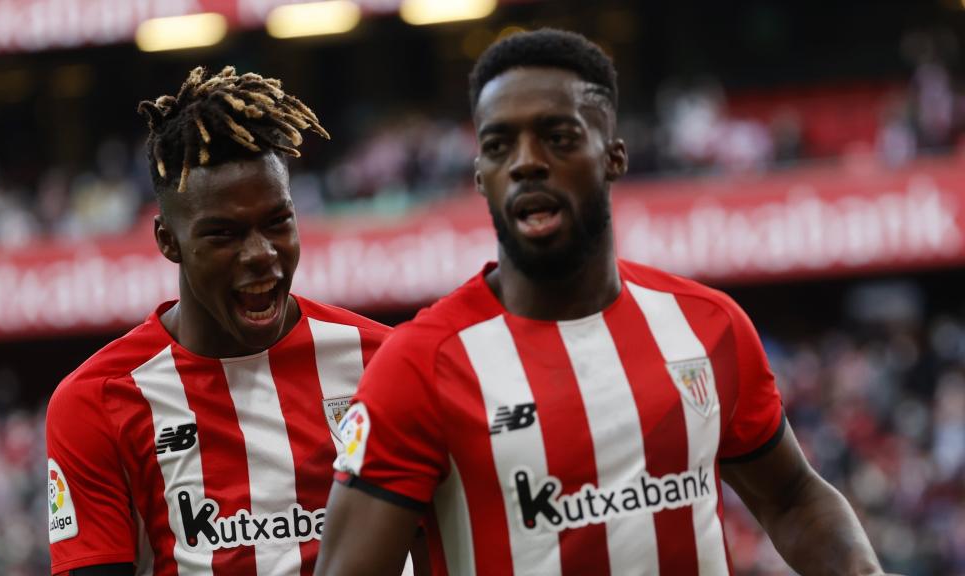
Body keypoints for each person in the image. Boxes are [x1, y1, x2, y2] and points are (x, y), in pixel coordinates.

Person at [315, 29, 890, 575]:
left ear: (614, 155)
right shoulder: (420, 366)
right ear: (480, 175)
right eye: (499, 145)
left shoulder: (707, 326)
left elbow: (791, 497)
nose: (526, 161)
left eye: (557, 137)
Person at [45, 66, 395, 576]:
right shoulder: (97, 402)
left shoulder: (383, 365)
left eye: (278, 222)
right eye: (223, 234)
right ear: (168, 240)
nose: (260, 254)